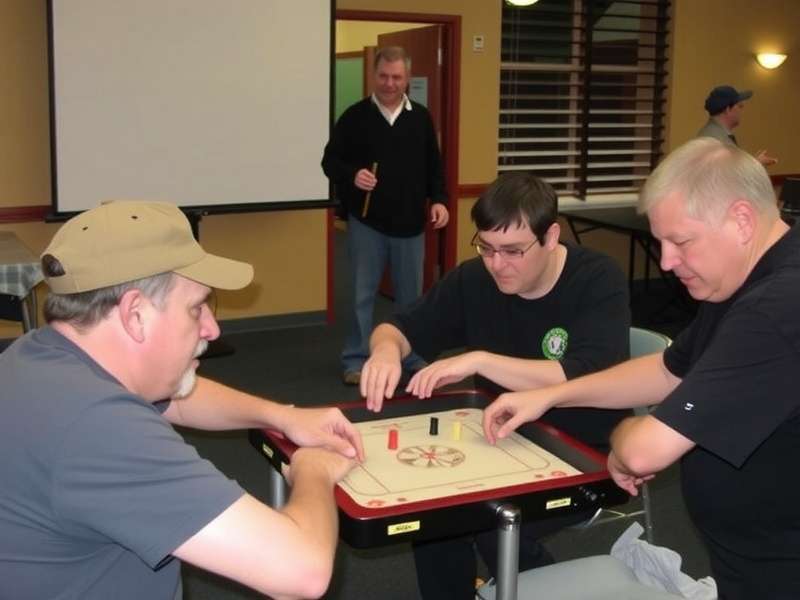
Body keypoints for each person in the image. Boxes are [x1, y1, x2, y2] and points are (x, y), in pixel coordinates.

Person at [0, 201, 365, 600]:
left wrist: (282, 416)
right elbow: (302, 572)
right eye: (196, 308)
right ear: (135, 314)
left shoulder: (40, 354)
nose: (212, 327)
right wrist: (313, 471)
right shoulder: (96, 427)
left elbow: (176, 396)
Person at [484, 138, 799, 600]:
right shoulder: (742, 278)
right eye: (661, 242)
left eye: (681, 242)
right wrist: (550, 395)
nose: (667, 262)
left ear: (742, 221)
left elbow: (643, 453)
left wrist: (620, 439)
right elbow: (670, 370)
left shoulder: (776, 307)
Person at [362, 172, 631, 600]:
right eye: (486, 248)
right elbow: (397, 326)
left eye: (512, 251)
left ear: (551, 237)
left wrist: (480, 359)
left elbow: (585, 373)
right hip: (496, 439)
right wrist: (385, 351)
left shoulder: (597, 278)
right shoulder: (475, 279)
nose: (496, 264)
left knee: (487, 523)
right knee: (434, 517)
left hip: (585, 453)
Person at [322, 45, 449, 386]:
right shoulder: (355, 116)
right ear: (373, 75)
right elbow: (330, 161)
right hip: (367, 224)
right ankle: (356, 358)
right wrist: (353, 175)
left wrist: (439, 200)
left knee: (412, 301)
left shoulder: (420, 117)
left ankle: (412, 357)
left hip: (411, 225)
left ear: (407, 78)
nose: (390, 83)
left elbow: (434, 167)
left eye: (397, 77)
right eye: (383, 76)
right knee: (360, 296)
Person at [696, 84, 777, 166]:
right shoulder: (715, 140)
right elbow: (726, 175)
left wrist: (753, 162)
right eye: (740, 106)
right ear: (727, 109)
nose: (742, 111)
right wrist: (756, 164)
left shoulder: (715, 133)